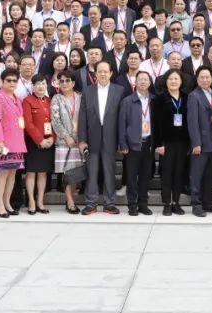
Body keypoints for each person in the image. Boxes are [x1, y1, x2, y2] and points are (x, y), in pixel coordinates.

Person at [77, 60, 124, 214]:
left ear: (111, 73)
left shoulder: (119, 90)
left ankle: (109, 203)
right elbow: (82, 116)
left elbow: (122, 118)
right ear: (95, 74)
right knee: (92, 171)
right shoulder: (88, 91)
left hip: (111, 138)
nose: (103, 74)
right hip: (92, 138)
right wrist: (82, 140)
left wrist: (122, 141)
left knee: (109, 171)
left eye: (105, 71)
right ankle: (91, 203)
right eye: (100, 71)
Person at [0, 68, 26, 217]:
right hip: (3, 142)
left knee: (13, 173)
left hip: (17, 142)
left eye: (14, 80)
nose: (12, 83)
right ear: (2, 82)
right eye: (8, 80)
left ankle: (7, 203)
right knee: (2, 173)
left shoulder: (17, 99)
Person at [118, 71, 156, 216]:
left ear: (150, 83)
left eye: (146, 79)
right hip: (132, 145)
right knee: (132, 177)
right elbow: (122, 124)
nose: (143, 82)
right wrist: (123, 144)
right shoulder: (127, 101)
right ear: (135, 82)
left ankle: (143, 204)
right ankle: (132, 205)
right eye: (140, 79)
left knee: (146, 176)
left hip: (148, 144)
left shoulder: (154, 100)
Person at [153, 70, 190, 215]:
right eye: (170, 79)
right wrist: (159, 144)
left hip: (183, 142)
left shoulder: (186, 97)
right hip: (166, 143)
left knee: (179, 173)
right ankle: (167, 203)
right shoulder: (160, 98)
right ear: (166, 81)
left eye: (176, 79)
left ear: (181, 81)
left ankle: (176, 202)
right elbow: (156, 123)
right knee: (167, 173)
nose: (173, 81)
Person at [187, 66, 212, 217]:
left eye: (207, 77)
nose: (205, 80)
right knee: (197, 175)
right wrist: (196, 143)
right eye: (202, 77)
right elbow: (192, 121)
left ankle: (208, 203)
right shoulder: (194, 96)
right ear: (197, 79)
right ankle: (196, 204)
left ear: (211, 79)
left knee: (209, 176)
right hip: (201, 143)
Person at [50, 70, 84, 214]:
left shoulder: (81, 97)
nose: (64, 83)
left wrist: (81, 138)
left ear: (73, 83)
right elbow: (55, 121)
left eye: (67, 80)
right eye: (61, 81)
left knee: (75, 173)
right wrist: (66, 137)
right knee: (67, 173)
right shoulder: (56, 98)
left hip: (79, 141)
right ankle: (70, 201)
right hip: (64, 142)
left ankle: (71, 199)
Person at [22, 74, 55, 214]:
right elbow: (28, 124)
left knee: (43, 173)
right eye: (37, 84)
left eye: (43, 83)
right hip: (33, 142)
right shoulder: (27, 101)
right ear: (33, 86)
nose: (40, 86)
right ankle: (31, 201)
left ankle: (40, 202)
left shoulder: (49, 100)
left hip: (48, 142)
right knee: (31, 173)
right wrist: (40, 140)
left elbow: (55, 121)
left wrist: (52, 138)